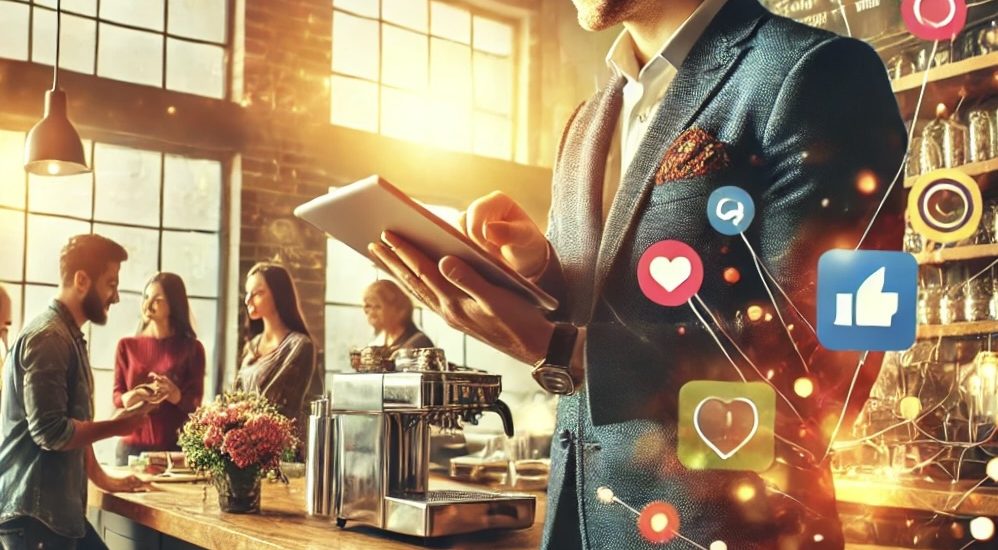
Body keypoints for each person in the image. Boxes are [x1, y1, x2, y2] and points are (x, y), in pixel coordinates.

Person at [368, 0, 907, 547]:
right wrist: (542, 269)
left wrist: (563, 352)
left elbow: (823, 364)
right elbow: (606, 307)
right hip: (574, 522)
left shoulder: (821, 71)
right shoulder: (589, 117)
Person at [0, 234, 157, 549]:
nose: (115, 297)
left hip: (56, 516)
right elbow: (51, 433)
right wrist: (119, 426)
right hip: (34, 519)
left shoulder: (68, 337)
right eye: (110, 284)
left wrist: (104, 480)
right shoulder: (49, 338)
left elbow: (74, 423)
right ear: (82, 280)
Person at [112, 272, 206, 466]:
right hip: (130, 449)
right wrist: (128, 398)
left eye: (157, 299)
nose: (148, 304)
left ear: (173, 304)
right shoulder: (126, 346)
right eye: (146, 297)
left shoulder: (193, 349)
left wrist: (175, 395)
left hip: (175, 450)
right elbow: (117, 395)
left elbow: (195, 404)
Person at [236, 262, 321, 455]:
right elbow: (236, 396)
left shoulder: (299, 345)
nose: (248, 300)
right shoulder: (251, 345)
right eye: (247, 293)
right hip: (245, 450)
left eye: (258, 293)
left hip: (281, 453)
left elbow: (278, 404)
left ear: (278, 295)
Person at [363, 280, 434, 354]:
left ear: (397, 308)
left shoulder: (419, 344)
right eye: (368, 306)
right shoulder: (378, 341)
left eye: (377, 307)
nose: (371, 313)